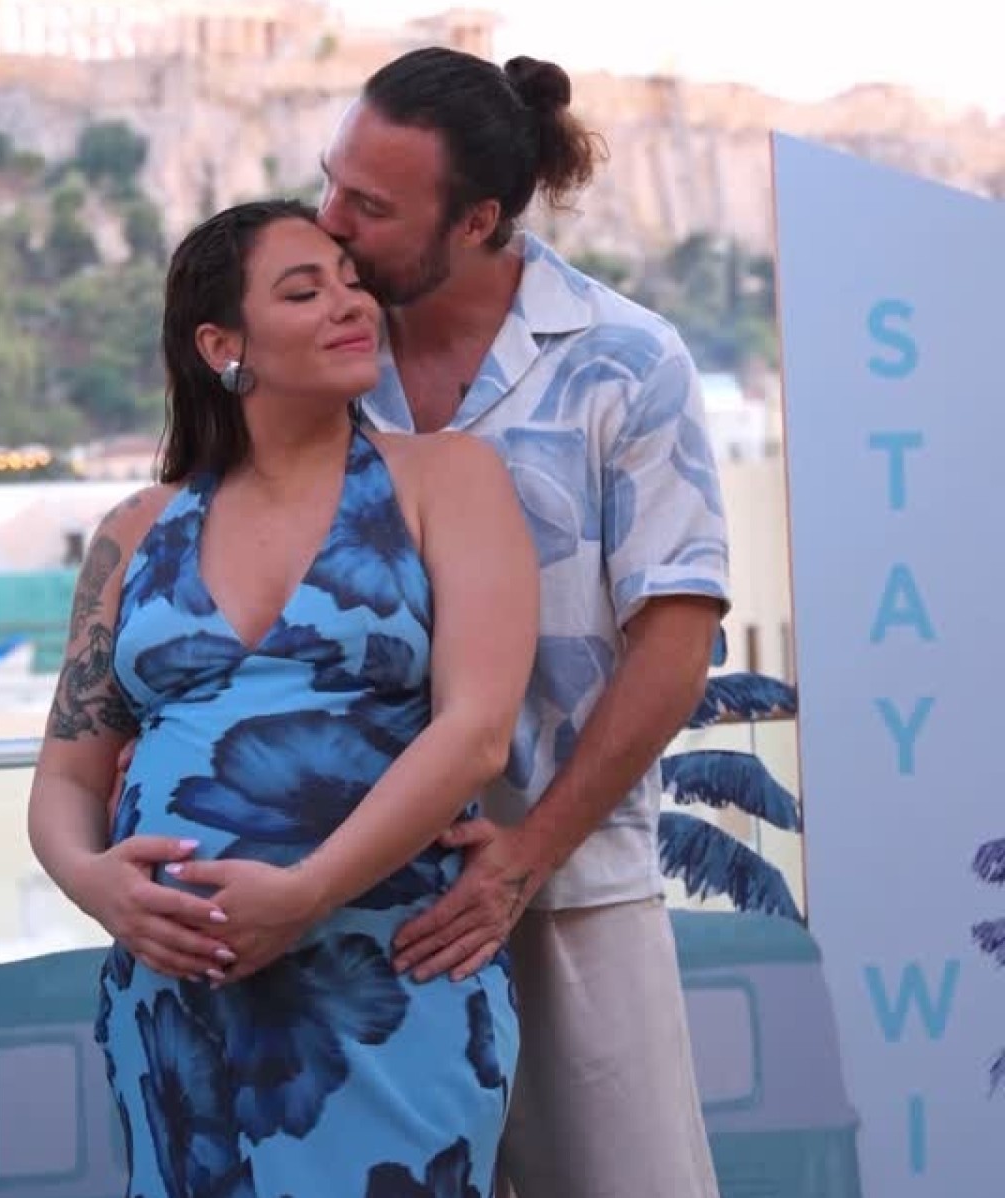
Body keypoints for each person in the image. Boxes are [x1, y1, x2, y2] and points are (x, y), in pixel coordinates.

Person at [27, 198, 539, 1198]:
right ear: (223, 345)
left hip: (389, 985)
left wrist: (307, 891)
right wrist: (97, 886)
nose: (351, 305)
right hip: (181, 1010)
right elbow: (66, 778)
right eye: (305, 292)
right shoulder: (134, 530)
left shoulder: (446, 478)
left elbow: (477, 731)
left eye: (353, 284)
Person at [311, 48, 731, 1198]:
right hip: (341, 910)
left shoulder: (627, 361)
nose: (330, 218)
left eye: (370, 205)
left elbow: (676, 645)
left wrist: (524, 861)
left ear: (479, 220)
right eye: (330, 179)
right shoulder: (308, 357)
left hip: (572, 891)